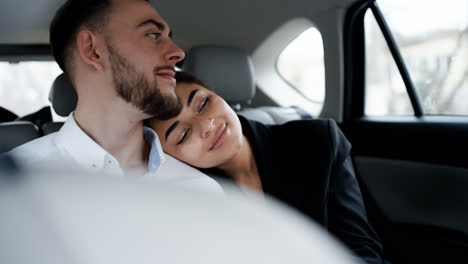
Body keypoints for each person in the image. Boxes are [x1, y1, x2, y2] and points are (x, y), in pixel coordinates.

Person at [147, 71, 385, 263]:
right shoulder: (191, 198)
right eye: (183, 134)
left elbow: (362, 250)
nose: (206, 125)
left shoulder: (318, 141)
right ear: (171, 157)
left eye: (202, 104)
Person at [7, 0, 221, 192]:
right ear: (93, 51)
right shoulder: (13, 186)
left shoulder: (202, 192)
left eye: (168, 37)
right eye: (153, 35)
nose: (178, 53)